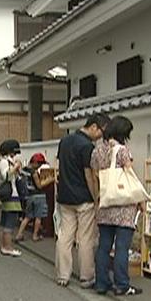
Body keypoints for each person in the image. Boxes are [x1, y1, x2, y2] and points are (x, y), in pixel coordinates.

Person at [92, 115, 144, 296]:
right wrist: (141, 200)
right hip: (123, 206)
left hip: (105, 203)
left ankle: (101, 283)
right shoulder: (122, 151)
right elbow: (130, 176)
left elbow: (95, 173)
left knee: (104, 246)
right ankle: (122, 284)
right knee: (122, 247)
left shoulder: (98, 150)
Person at [55, 114, 105, 288]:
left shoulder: (65, 141)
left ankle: (63, 275)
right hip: (83, 199)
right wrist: (95, 197)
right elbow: (89, 175)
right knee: (85, 239)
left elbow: (59, 168)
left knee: (65, 236)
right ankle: (86, 277)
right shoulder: (87, 147)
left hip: (65, 197)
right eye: (100, 132)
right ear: (93, 127)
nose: (100, 136)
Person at [0, 139, 24, 257]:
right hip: (11, 195)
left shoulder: (3, 161)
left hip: (8, 195)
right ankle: (7, 247)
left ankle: (3, 245)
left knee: (4, 222)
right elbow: (6, 176)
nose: (15, 155)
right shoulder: (4, 162)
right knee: (10, 223)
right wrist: (15, 167)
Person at [16, 153, 54, 242]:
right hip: (39, 196)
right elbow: (39, 186)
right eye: (39, 164)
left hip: (29, 196)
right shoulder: (34, 172)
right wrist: (48, 180)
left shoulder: (24, 170)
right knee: (38, 217)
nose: (40, 166)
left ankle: (19, 234)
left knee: (27, 217)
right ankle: (35, 235)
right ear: (35, 162)